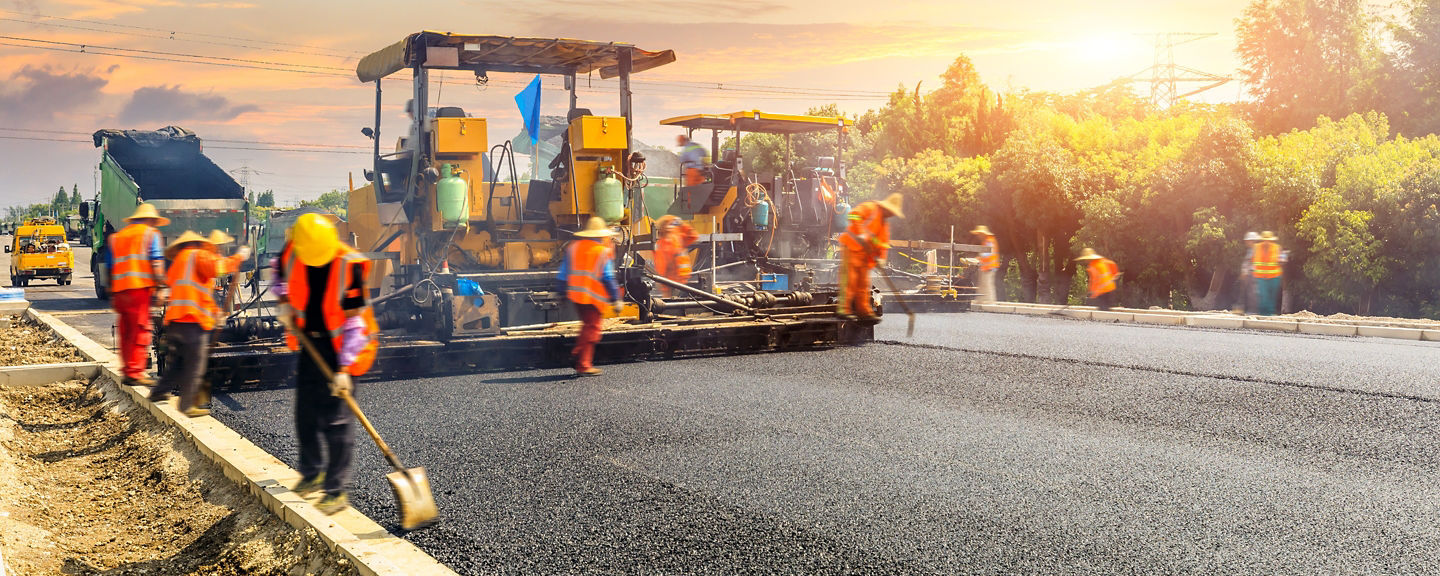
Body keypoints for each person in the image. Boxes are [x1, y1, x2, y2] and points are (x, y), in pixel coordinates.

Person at [273, 214, 379, 515]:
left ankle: (335, 490)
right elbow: (279, 277)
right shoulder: (292, 251)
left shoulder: (350, 265)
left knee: (337, 419)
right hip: (311, 340)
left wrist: (343, 369)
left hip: (346, 344)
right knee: (305, 411)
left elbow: (355, 324)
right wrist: (283, 301)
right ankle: (312, 473)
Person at [150, 231, 249, 416]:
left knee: (177, 362)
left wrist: (216, 314)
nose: (220, 251)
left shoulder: (180, 261)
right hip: (191, 322)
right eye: (219, 248)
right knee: (196, 362)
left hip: (175, 320)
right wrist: (239, 257)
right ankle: (187, 405)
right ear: (209, 246)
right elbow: (219, 268)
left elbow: (196, 294)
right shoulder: (200, 255)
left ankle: (158, 392)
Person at [107, 203, 169, 386]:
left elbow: (110, 267)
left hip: (119, 291)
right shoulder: (150, 235)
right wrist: (160, 288)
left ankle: (127, 370)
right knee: (140, 330)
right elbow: (156, 263)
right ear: (151, 220)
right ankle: (135, 373)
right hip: (138, 290)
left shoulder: (117, 237)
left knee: (125, 332)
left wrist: (112, 291)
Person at [557, 217, 623, 376]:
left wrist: (560, 292)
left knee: (587, 326)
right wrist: (616, 299)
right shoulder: (602, 252)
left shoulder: (573, 248)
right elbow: (607, 277)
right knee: (593, 329)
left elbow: (563, 273)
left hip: (576, 296)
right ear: (601, 235)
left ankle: (581, 359)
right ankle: (580, 361)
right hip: (593, 298)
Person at [837, 193, 905, 320]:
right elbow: (852, 215)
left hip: (864, 255)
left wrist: (882, 258)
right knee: (850, 280)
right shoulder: (870, 208)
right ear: (887, 208)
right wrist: (861, 233)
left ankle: (864, 311)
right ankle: (844, 309)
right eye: (891, 212)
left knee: (864, 284)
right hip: (851, 248)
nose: (891, 215)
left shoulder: (884, 225)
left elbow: (882, 244)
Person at [651, 215, 698, 297]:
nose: (668, 227)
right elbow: (661, 265)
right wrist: (662, 281)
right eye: (666, 224)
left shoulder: (678, 237)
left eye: (670, 223)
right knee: (670, 305)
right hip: (670, 282)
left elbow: (693, 236)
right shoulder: (661, 244)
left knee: (680, 305)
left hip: (681, 279)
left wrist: (682, 224)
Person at [1253, 230, 1283, 316]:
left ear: (1271, 240)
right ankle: (1264, 313)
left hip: (1274, 276)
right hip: (1260, 276)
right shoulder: (1256, 247)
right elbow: (1253, 260)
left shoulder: (1277, 248)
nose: (1266, 241)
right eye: (1265, 239)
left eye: (1268, 240)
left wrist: (1282, 261)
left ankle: (1270, 313)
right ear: (1262, 239)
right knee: (1264, 295)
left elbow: (1281, 260)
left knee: (1272, 296)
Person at [971, 225, 1000, 304]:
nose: (978, 236)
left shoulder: (989, 241)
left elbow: (987, 254)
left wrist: (978, 258)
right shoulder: (987, 241)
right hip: (987, 267)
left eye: (979, 234)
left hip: (990, 267)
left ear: (983, 234)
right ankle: (981, 300)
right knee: (983, 285)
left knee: (987, 285)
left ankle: (989, 302)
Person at [1236, 231, 1260, 314]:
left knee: (1252, 292)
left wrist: (1245, 272)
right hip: (1250, 273)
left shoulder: (1255, 249)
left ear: (1252, 241)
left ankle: (1253, 310)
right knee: (1248, 292)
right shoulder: (1251, 249)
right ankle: (1248, 309)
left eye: (1248, 240)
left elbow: (1249, 262)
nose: (1246, 242)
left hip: (1252, 273)